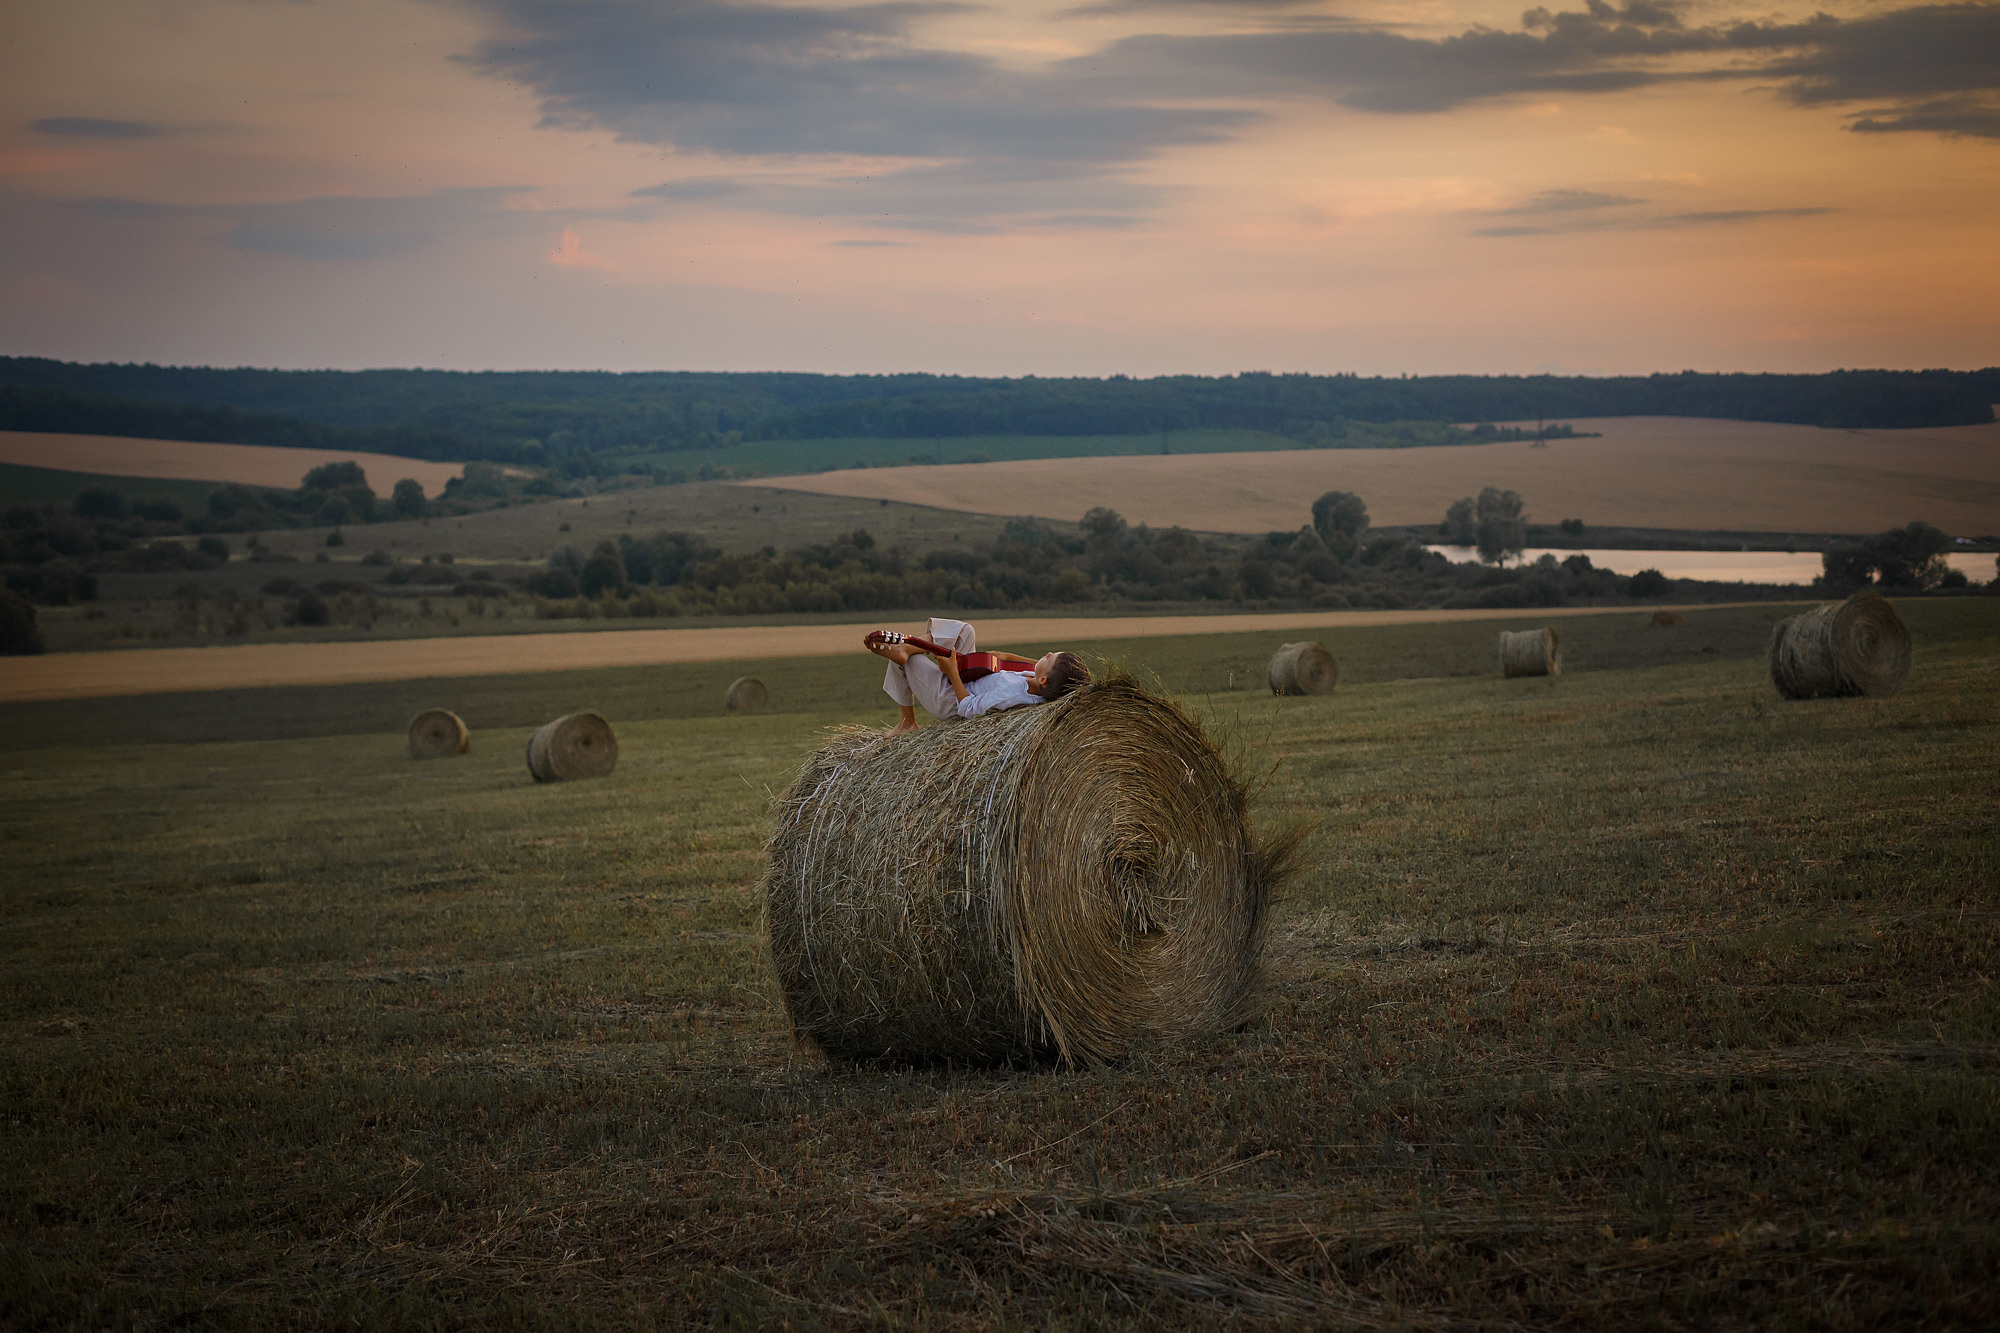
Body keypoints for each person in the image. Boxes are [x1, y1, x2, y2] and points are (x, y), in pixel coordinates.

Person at [866, 618, 1091, 735]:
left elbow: (967, 709)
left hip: (951, 700)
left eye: (1049, 658)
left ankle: (907, 722)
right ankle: (910, 646)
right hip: (971, 678)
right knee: (966, 631)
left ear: (1045, 680)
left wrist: (952, 671)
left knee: (907, 662)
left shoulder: (1011, 694)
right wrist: (999, 657)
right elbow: (1011, 662)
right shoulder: (1037, 684)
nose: (1048, 653)